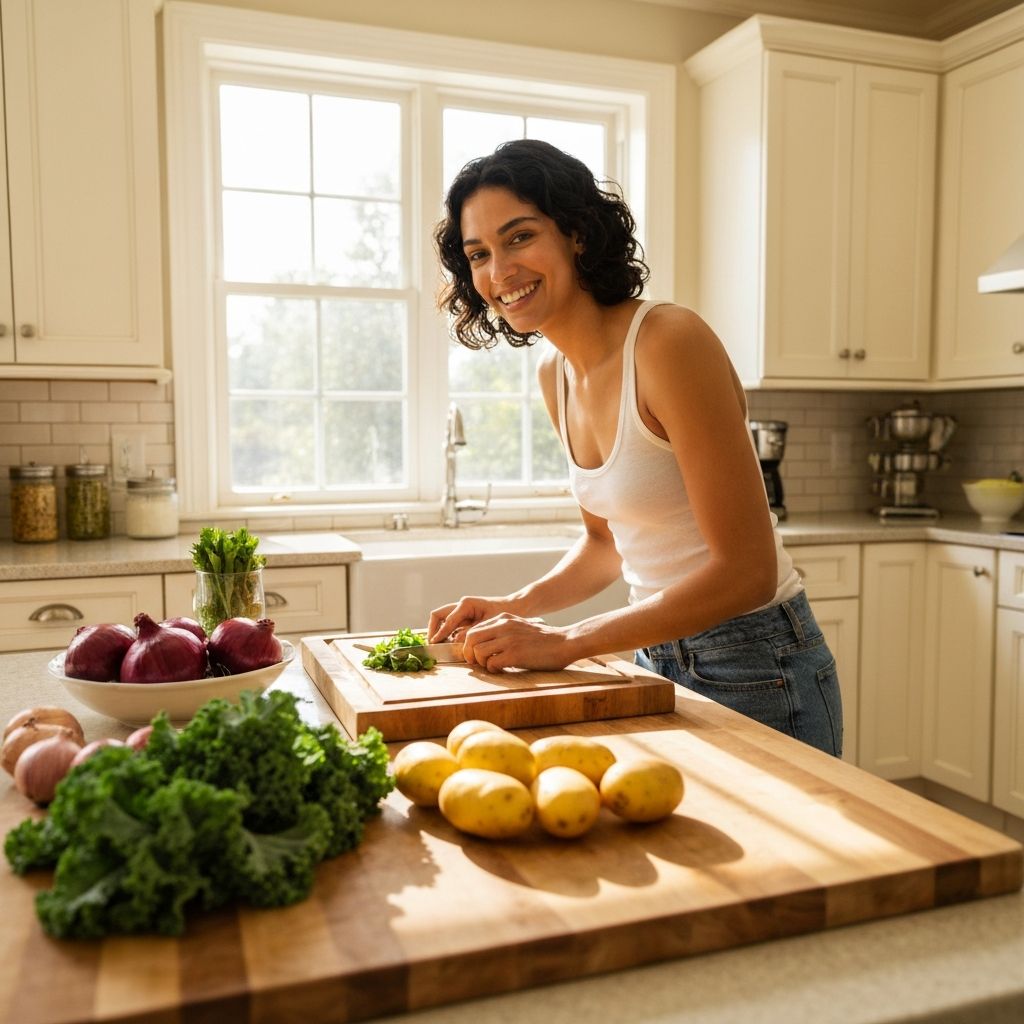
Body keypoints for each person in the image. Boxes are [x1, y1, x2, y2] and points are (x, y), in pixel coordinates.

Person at [428, 139, 842, 757]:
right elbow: (606, 544)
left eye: (519, 237)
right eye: (479, 254)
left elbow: (748, 572)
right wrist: (512, 605)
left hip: (758, 662)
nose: (499, 271)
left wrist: (566, 641)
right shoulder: (555, 373)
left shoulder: (668, 342)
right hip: (655, 656)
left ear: (578, 234)